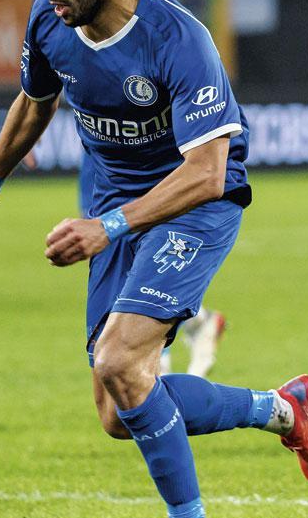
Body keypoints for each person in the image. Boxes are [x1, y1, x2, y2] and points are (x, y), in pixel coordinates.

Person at [0, 0, 308, 518]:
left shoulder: (178, 38)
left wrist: (110, 227)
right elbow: (36, 101)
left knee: (121, 362)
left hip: (191, 205)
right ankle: (282, 407)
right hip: (109, 205)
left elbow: (209, 170)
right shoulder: (49, 20)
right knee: (118, 410)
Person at [78, 152, 225, 378]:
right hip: (103, 163)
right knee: (108, 250)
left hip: (148, 169)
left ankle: (157, 361)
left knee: (140, 261)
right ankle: (199, 321)